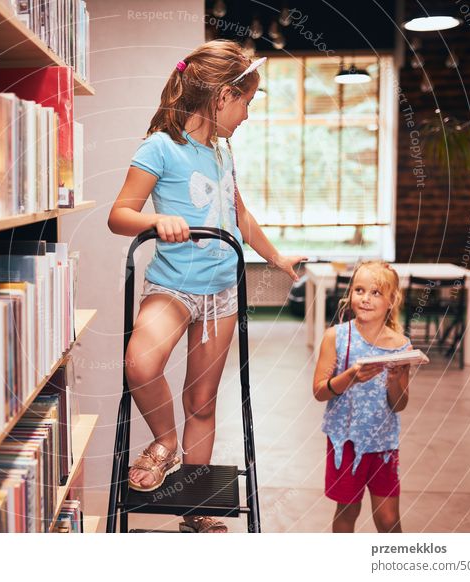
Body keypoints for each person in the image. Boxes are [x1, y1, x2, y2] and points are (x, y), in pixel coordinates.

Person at [107, 40, 305, 533]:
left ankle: (195, 511)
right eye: (246, 104)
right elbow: (119, 215)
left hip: (222, 293)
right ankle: (164, 443)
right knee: (140, 362)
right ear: (221, 97)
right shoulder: (161, 146)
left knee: (203, 402)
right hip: (173, 286)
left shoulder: (222, 152)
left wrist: (277, 258)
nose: (246, 115)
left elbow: (240, 216)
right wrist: (157, 221)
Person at [312, 260, 413, 533]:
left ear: (391, 301)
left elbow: (400, 404)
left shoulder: (401, 347)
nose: (366, 299)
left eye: (376, 293)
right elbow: (320, 391)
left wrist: (394, 382)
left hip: (383, 445)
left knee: (389, 518)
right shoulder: (336, 337)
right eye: (359, 290)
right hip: (345, 443)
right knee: (348, 510)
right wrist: (350, 377)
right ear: (351, 293)